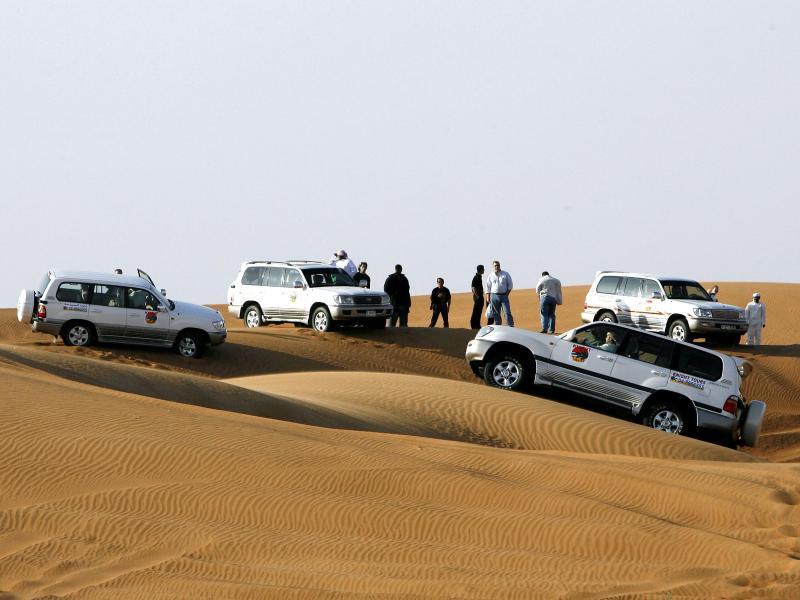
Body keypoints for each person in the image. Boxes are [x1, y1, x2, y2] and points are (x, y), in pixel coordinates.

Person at [485, 260, 514, 327]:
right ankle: (498, 326)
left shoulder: (505, 274)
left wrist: (507, 294)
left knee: (507, 312)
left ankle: (510, 325)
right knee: (496, 313)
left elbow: (510, 285)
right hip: (494, 296)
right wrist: (488, 297)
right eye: (495, 265)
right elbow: (488, 287)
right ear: (493, 267)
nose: (497, 267)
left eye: (498, 265)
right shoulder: (491, 275)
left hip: (504, 296)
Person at [470, 265, 485, 329]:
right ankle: (474, 325)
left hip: (479, 297)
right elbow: (473, 287)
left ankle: (477, 325)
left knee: (479, 311)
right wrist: (478, 296)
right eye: (483, 269)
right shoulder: (476, 277)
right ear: (481, 270)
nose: (484, 270)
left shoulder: (479, 277)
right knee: (476, 311)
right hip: (478, 298)